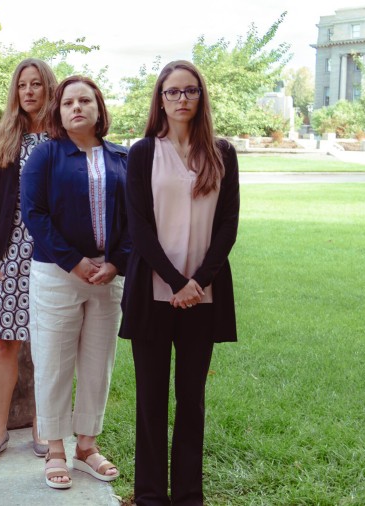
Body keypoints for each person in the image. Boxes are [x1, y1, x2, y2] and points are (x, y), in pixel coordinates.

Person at [120, 60, 240, 506]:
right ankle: (150, 495)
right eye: (172, 92)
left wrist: (198, 281)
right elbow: (139, 228)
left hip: (203, 298)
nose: (182, 99)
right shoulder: (143, 152)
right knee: (151, 401)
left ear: (201, 97)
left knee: (192, 401)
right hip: (153, 295)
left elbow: (228, 225)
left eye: (189, 91)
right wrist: (176, 282)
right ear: (161, 99)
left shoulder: (223, 152)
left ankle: (189, 496)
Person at [21, 75, 130, 489]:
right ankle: (54, 448)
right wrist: (74, 261)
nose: (77, 108)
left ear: (99, 108)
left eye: (86, 100)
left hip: (108, 276)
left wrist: (117, 262)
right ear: (59, 111)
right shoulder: (45, 156)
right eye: (68, 103)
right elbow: (35, 213)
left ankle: (86, 446)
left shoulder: (122, 158)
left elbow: (137, 218)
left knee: (98, 363)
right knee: (53, 362)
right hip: (57, 274)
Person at [0, 58, 58, 465]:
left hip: (53, 254)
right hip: (7, 254)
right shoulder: (2, 136)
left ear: (48, 88)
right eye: (22, 84)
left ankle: (45, 425)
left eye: (36, 84)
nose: (29, 91)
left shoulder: (64, 137)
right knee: (4, 343)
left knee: (50, 344)